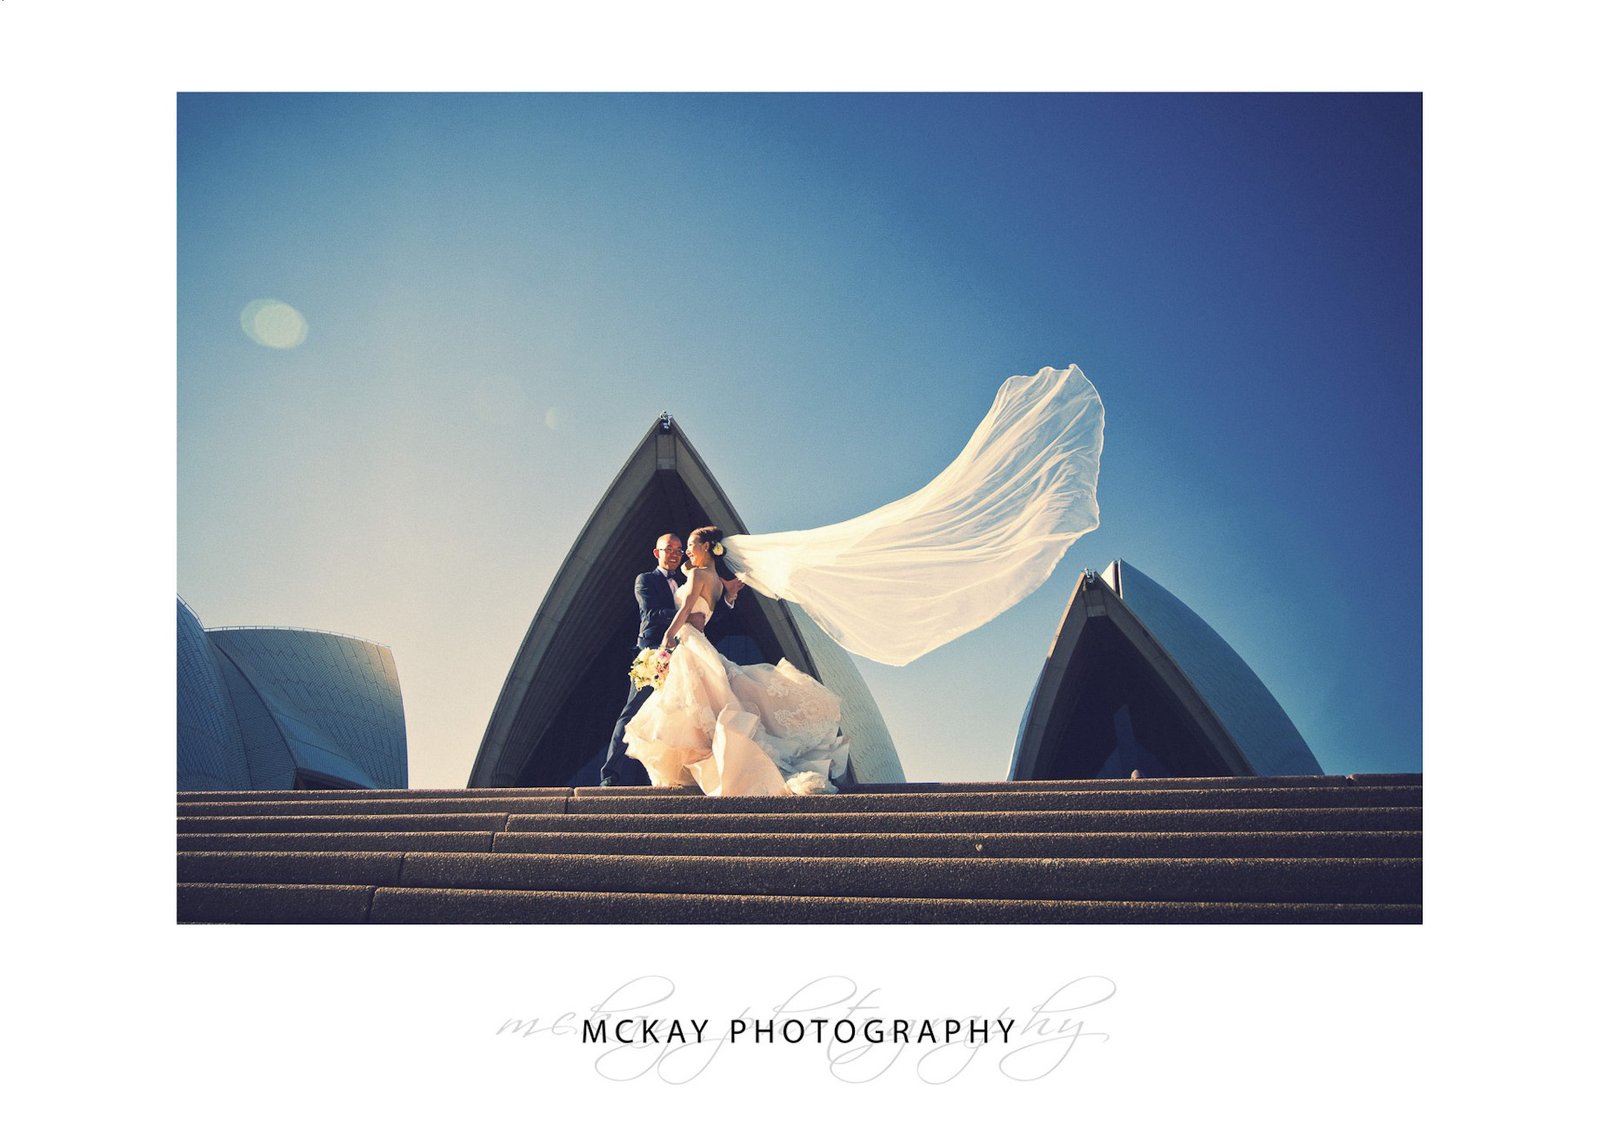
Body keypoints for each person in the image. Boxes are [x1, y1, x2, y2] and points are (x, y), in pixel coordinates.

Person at [623, 526, 848, 796]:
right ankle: (716, 761)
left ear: (706, 547)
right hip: (700, 640)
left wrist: (668, 637)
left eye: (691, 546)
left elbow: (686, 607)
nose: (686, 553)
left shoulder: (696, 574)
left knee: (692, 706)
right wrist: (728, 591)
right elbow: (697, 586)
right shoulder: (716, 581)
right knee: (707, 704)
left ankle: (716, 765)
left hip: (688, 642)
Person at [599, 532, 686, 787]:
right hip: (652, 653)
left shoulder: (683, 585)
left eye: (679, 550)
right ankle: (610, 774)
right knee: (632, 713)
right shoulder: (646, 580)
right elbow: (651, 614)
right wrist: (686, 613)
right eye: (669, 549)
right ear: (657, 553)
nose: (674, 554)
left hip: (682, 656)